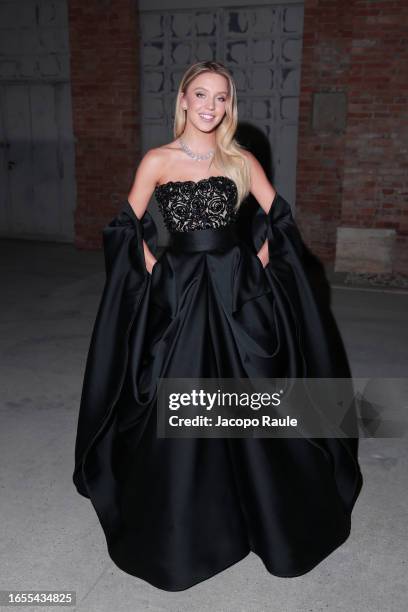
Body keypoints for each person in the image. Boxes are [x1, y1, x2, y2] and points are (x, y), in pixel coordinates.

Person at [73, 60, 363, 591]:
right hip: (180, 296)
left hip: (237, 294)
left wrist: (257, 264)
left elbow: (280, 216)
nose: (211, 106)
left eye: (222, 97)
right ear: (182, 99)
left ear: (230, 105)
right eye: (201, 94)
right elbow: (123, 225)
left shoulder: (240, 159)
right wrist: (156, 269)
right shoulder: (157, 160)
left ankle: (258, 509)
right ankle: (191, 521)